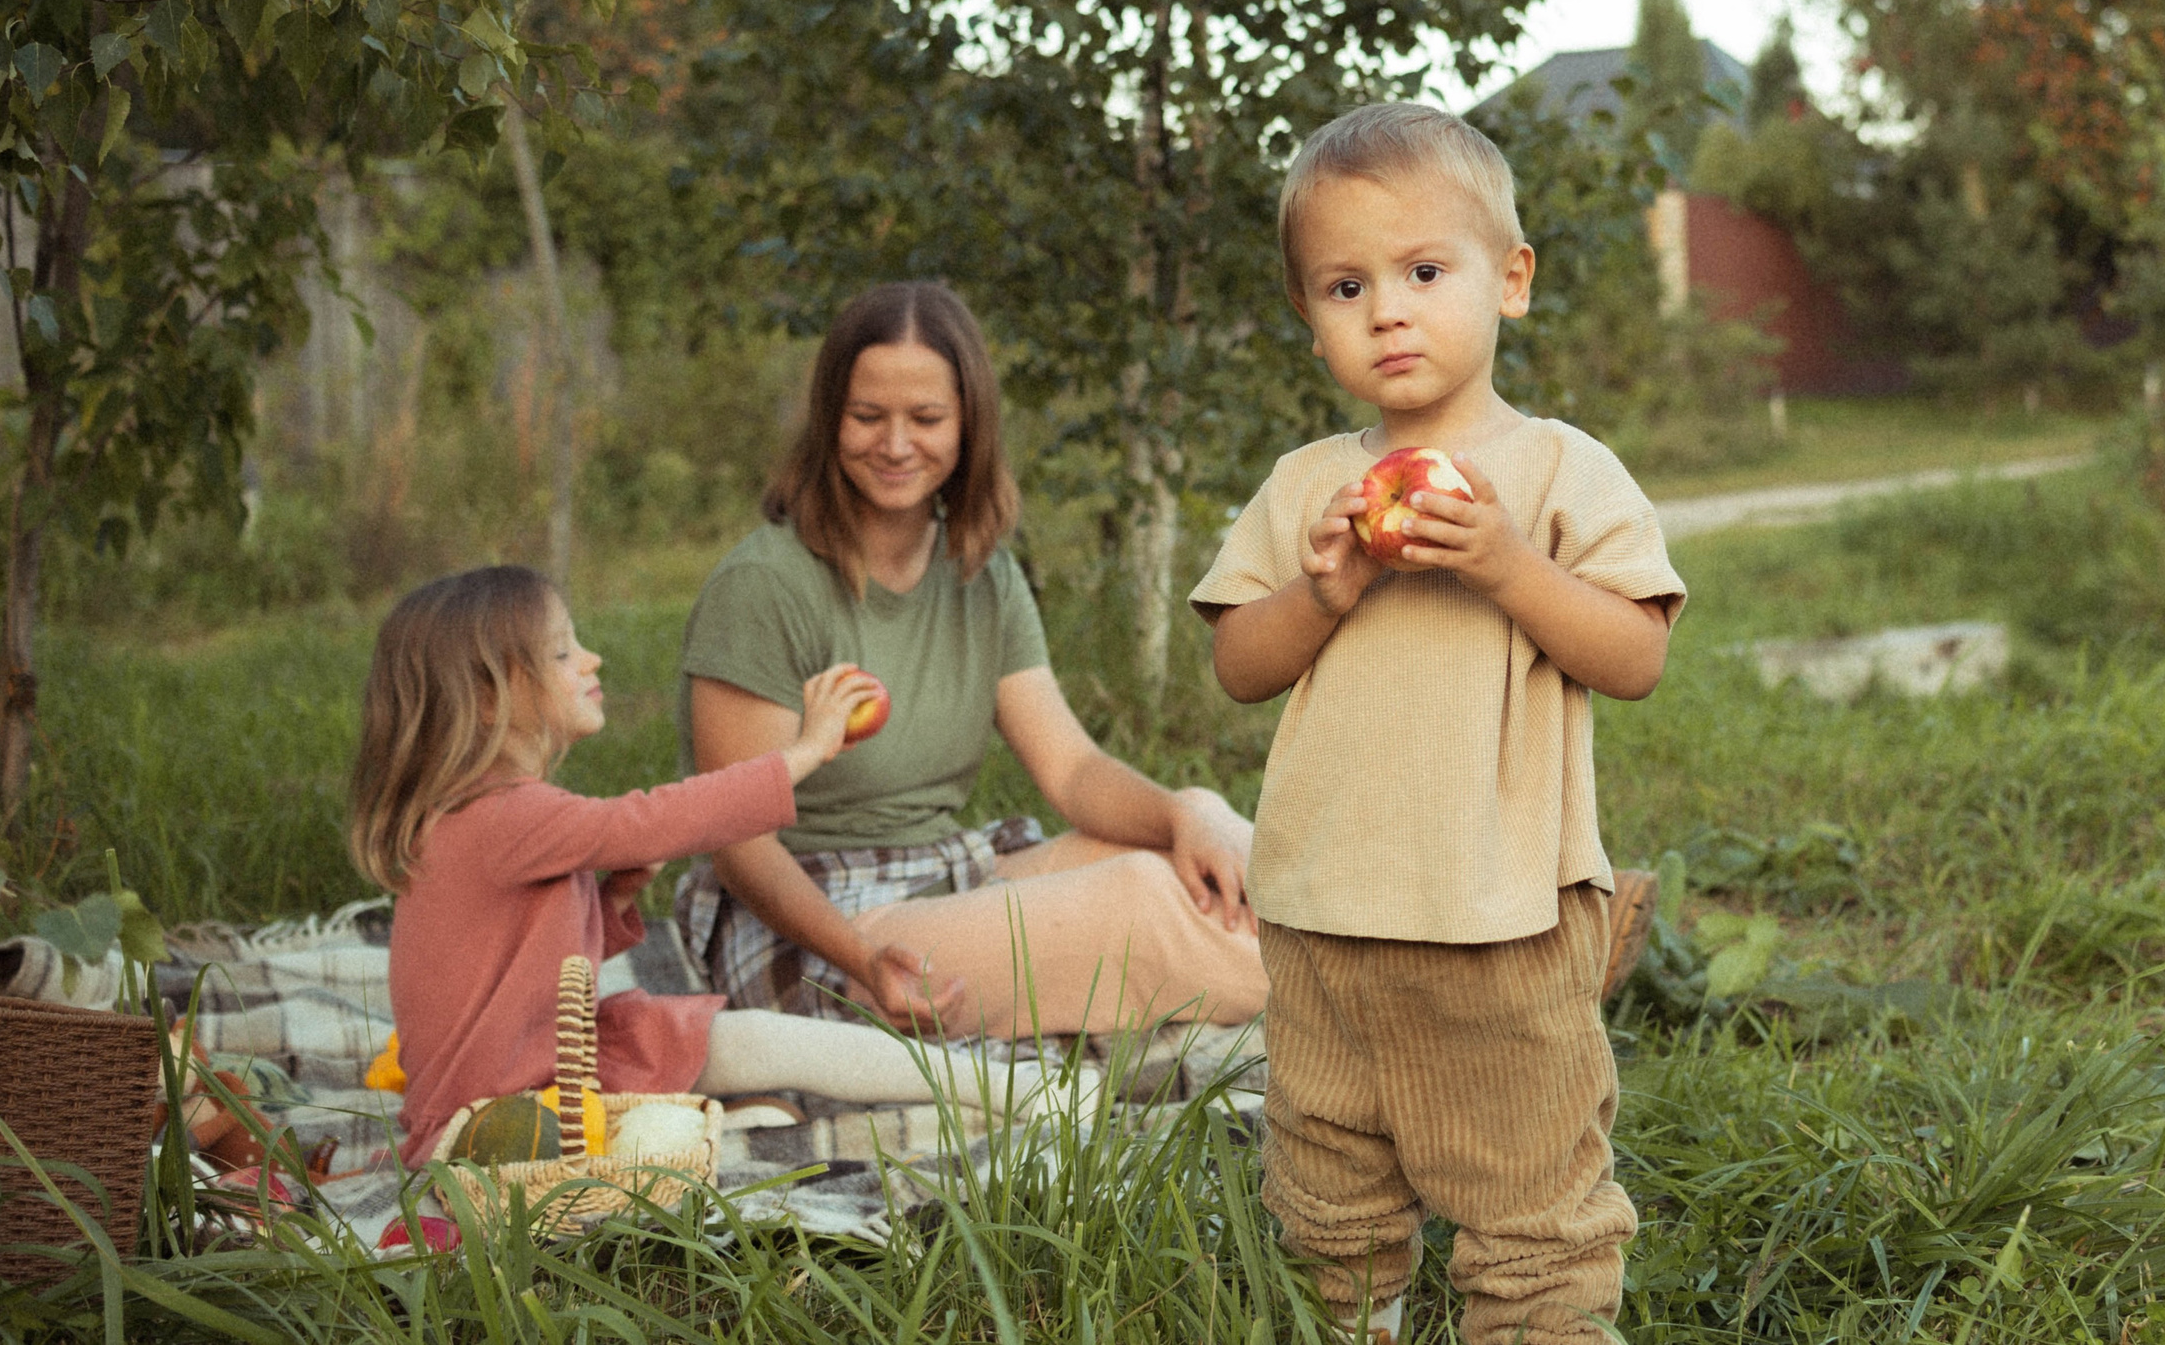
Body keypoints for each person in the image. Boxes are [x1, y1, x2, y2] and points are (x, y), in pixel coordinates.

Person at [1191, 105, 1685, 1345]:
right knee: (1327, 1181)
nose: (1388, 310)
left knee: (1529, 1189)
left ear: (1509, 281)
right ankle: (1352, 1315)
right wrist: (1325, 590)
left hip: (1501, 916)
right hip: (1319, 915)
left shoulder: (1562, 471)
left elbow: (1635, 654)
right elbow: (1237, 664)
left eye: (1423, 272)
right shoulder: (1310, 487)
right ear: (1311, 321)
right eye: (1345, 285)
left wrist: (1508, 564)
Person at [673, 281, 1267, 1039]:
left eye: (925, 418)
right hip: (813, 929)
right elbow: (737, 842)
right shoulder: (762, 586)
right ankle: (1369, 993)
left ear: (968, 425)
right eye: (867, 417)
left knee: (1202, 853)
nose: (894, 445)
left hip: (944, 874)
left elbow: (1073, 772)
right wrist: (862, 957)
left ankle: (1360, 957)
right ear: (830, 419)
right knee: (1143, 900)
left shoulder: (983, 576)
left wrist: (1190, 812)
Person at [346, 565, 1064, 1170]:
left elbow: (527, 963)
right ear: (487, 693)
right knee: (756, 1050)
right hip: (504, 1121)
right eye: (563, 653)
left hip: (548, 1069)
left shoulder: (491, 816)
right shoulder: (501, 815)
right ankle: (1002, 1089)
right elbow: (660, 814)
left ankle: (998, 1088)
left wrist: (617, 896)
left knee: (751, 1041)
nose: (591, 660)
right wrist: (806, 749)